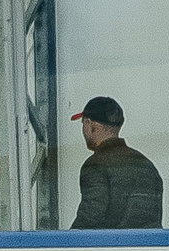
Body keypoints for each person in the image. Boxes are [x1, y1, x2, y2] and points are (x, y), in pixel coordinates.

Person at [70, 97, 163, 230]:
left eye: (83, 123)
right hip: (147, 248)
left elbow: (91, 216)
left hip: (111, 248)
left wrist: (67, 243)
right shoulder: (146, 164)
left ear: (90, 124)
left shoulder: (95, 164)